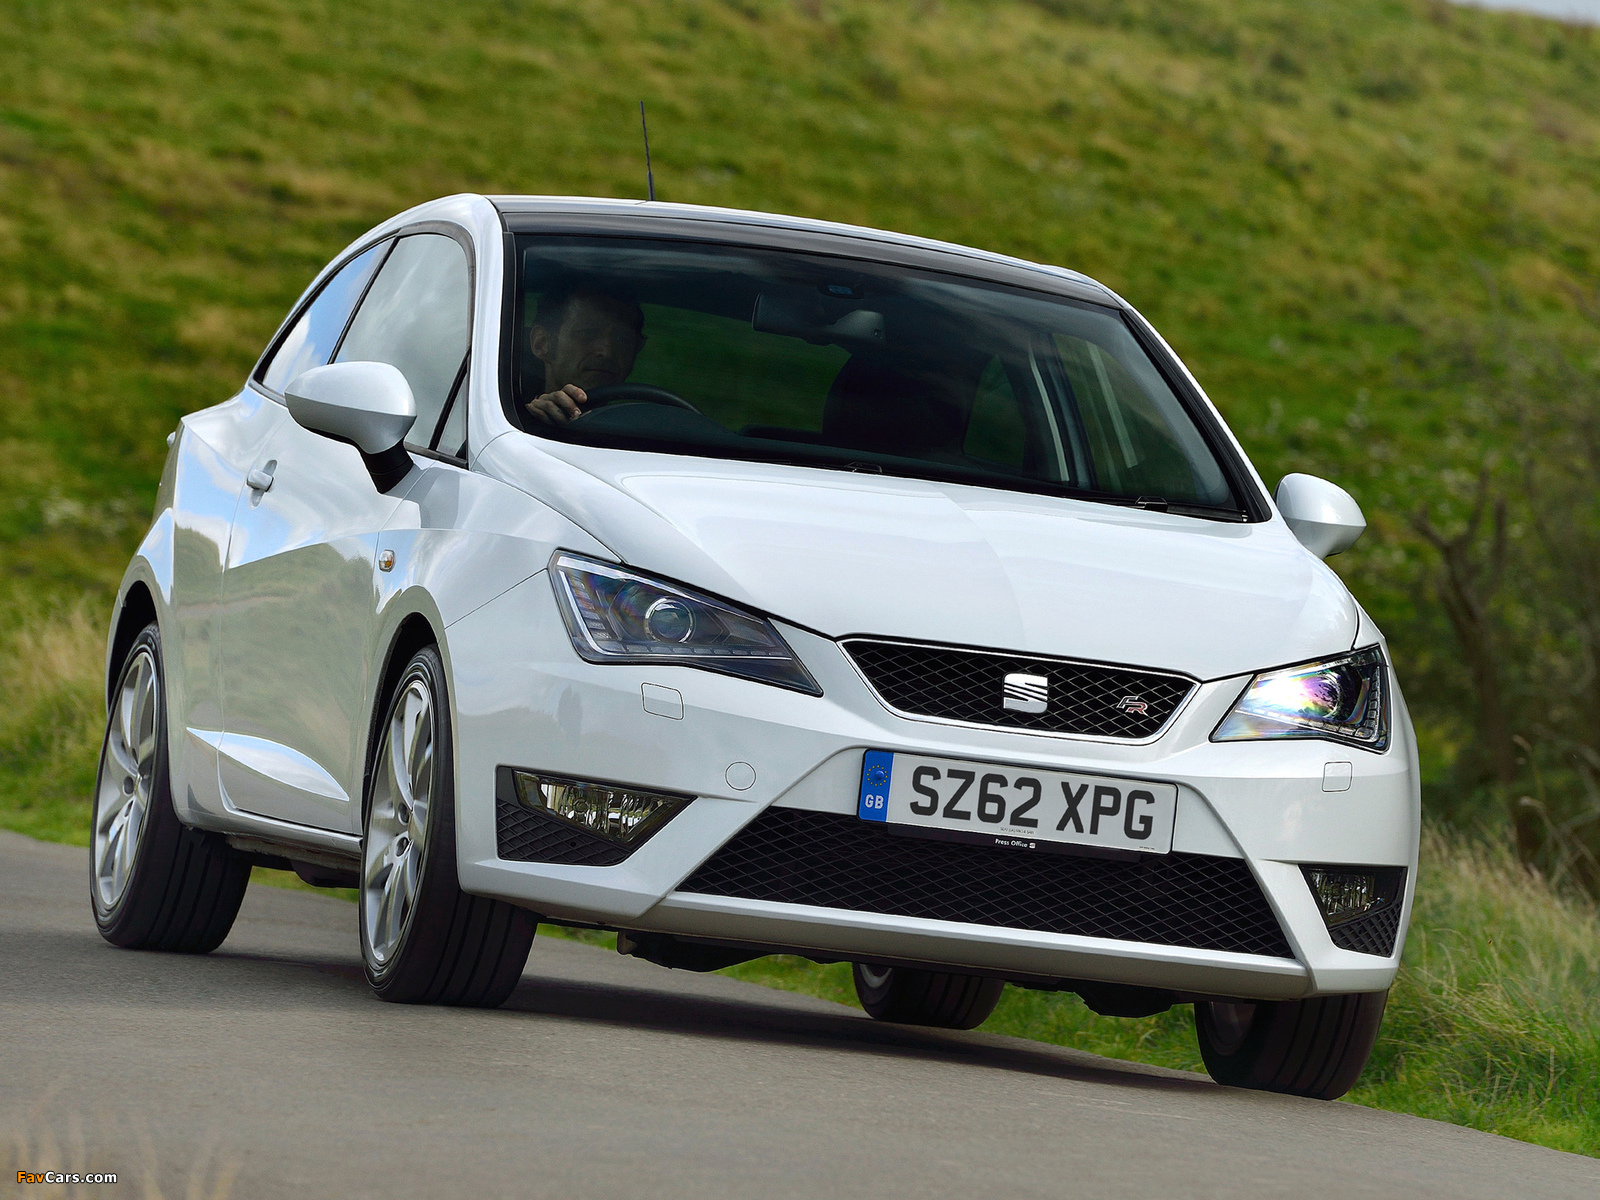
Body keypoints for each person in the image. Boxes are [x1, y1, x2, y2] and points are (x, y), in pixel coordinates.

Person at [523, 284, 647, 425]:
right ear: (542, 343)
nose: (607, 352)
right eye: (587, 333)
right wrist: (532, 421)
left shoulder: (643, 429)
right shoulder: (511, 424)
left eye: (622, 339)